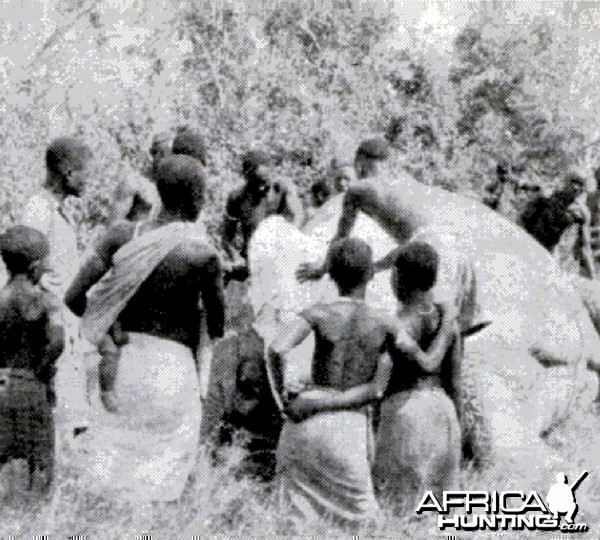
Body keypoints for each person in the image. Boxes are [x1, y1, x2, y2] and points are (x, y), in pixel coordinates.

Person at [65, 154, 225, 501]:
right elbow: (217, 326)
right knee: (157, 489)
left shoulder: (122, 234)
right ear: (197, 197)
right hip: (171, 375)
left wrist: (106, 334)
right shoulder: (204, 255)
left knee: (106, 482)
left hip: (120, 367)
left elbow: (74, 297)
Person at [270, 238, 457, 524]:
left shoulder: (317, 312)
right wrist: (447, 321)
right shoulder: (385, 323)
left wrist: (286, 396)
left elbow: (277, 348)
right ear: (371, 274)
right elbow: (396, 378)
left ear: (330, 274)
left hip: (303, 421)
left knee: (294, 520)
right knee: (366, 524)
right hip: (347, 426)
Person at [373, 242, 462, 509]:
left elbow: (378, 385)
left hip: (406, 416)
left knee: (401, 513)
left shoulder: (397, 325)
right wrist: (458, 432)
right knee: (440, 512)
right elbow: (455, 384)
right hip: (443, 413)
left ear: (398, 278)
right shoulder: (449, 322)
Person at [20, 136, 92, 440]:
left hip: (66, 326)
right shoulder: (39, 207)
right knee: (57, 420)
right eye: (84, 171)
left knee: (71, 418)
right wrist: (38, 276)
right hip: (52, 329)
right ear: (67, 172)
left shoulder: (59, 210)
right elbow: (24, 251)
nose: (88, 178)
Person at [0, 226, 65, 492]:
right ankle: (35, 520)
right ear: (36, 266)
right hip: (32, 384)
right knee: (39, 461)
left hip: (2, 381)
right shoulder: (47, 302)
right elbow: (58, 342)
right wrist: (43, 368)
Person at [222, 149, 303, 269]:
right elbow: (227, 238)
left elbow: (298, 218)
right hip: (250, 261)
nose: (261, 188)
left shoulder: (282, 190)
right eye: (256, 182)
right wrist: (236, 258)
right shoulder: (236, 198)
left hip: (278, 260)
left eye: (265, 182)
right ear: (246, 177)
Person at [520, 172, 595, 279]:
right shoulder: (550, 197)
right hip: (533, 245)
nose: (575, 187)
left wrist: (592, 276)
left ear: (583, 189)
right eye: (573, 182)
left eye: (580, 184)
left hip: (556, 256)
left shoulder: (581, 213)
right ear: (566, 181)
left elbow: (585, 246)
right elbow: (526, 219)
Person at [108, 132, 170, 223]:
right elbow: (113, 226)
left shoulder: (175, 188)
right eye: (162, 154)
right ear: (153, 154)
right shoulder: (134, 183)